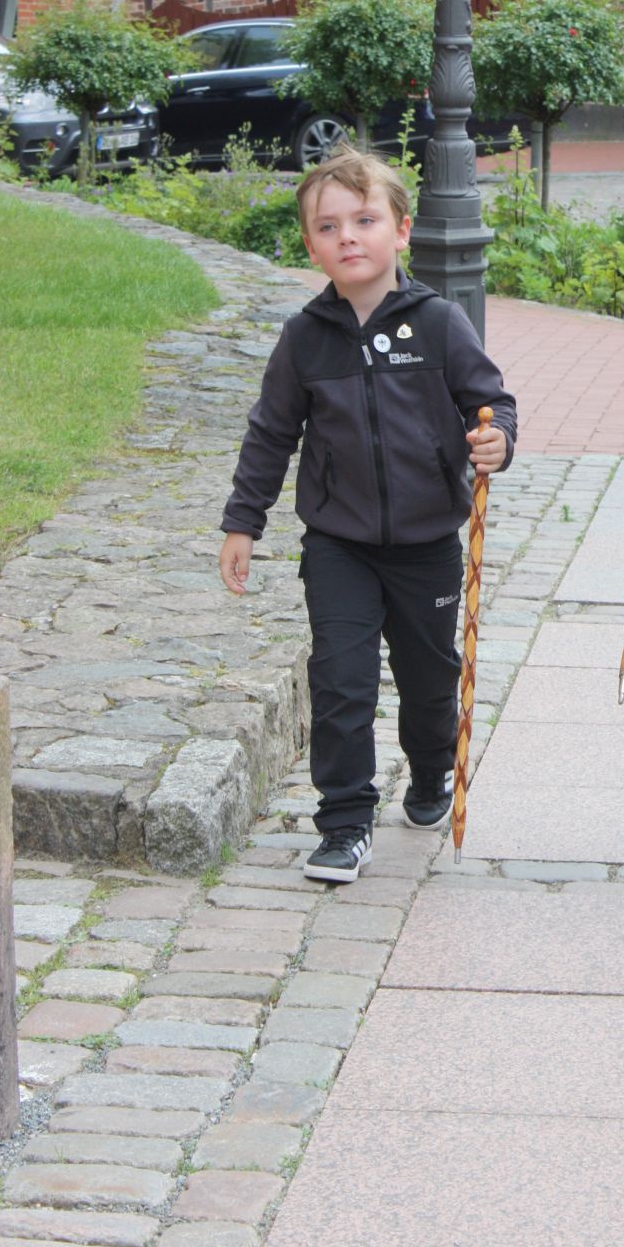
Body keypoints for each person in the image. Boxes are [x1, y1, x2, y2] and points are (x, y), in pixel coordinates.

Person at [219, 147, 516, 883]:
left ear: (401, 230)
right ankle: (345, 821)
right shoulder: (304, 338)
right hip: (339, 544)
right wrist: (243, 522)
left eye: (364, 220)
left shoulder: (439, 323)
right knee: (341, 679)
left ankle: (430, 767)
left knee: (429, 678)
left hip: (427, 542)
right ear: (311, 245)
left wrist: (497, 440)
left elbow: (490, 401)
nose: (347, 237)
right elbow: (271, 432)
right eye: (328, 227)